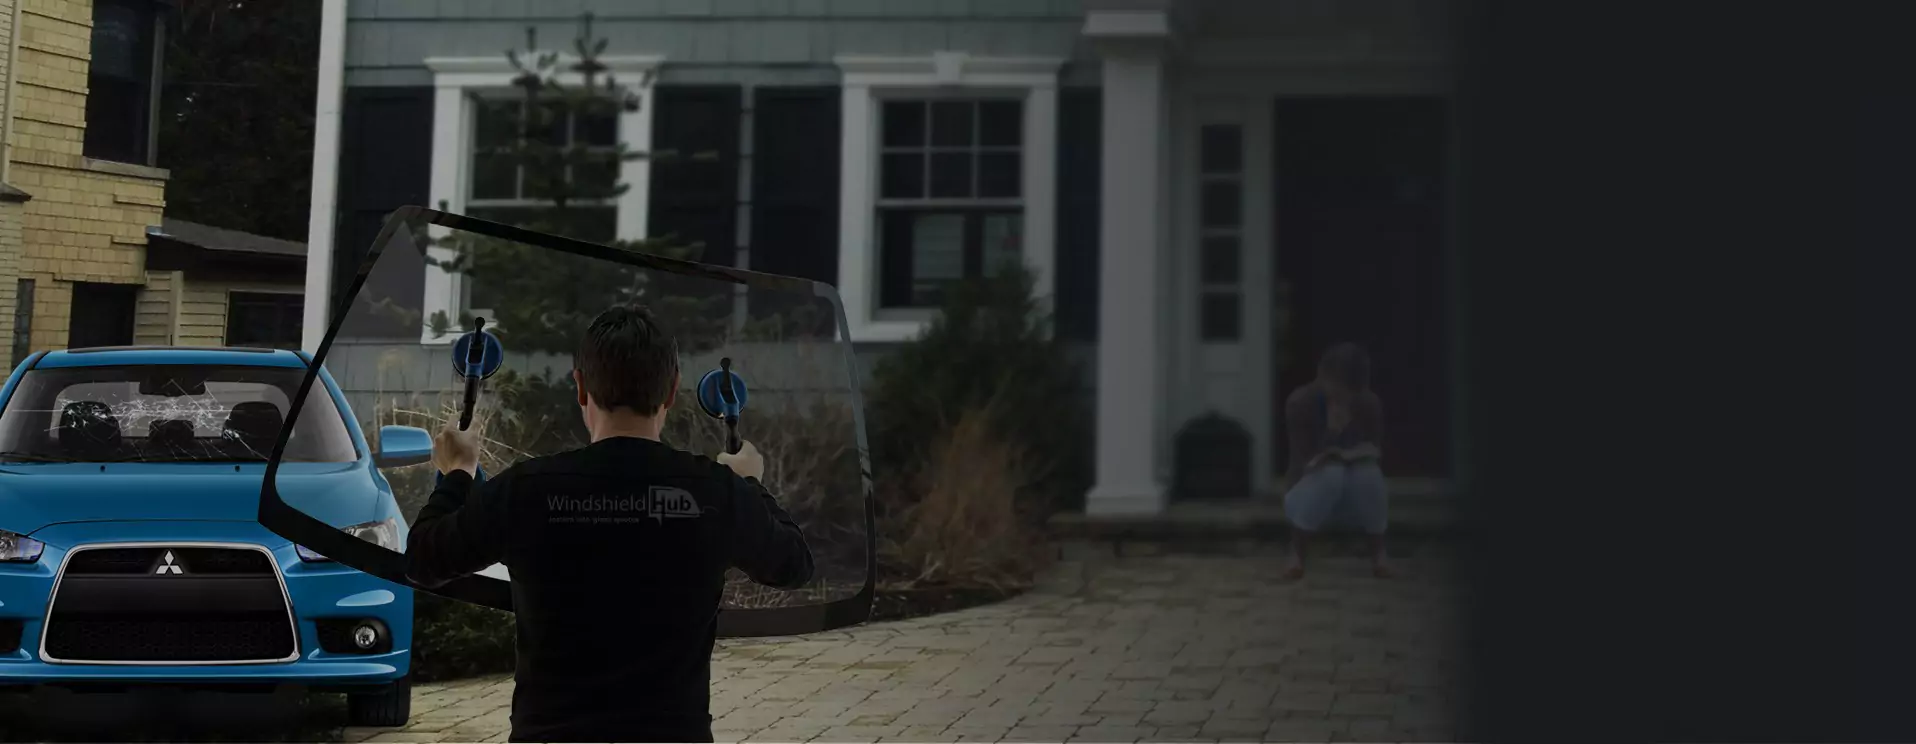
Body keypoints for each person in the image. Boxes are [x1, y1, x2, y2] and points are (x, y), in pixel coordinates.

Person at [405, 305, 814, 743]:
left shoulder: (525, 492)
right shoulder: (717, 494)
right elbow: (794, 566)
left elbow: (423, 561)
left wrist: (457, 474)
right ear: (672, 391)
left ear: (580, 387)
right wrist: (751, 483)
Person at [1281, 342, 1391, 580]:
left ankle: (1379, 554)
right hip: (1309, 493)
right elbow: (1300, 461)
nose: (1344, 396)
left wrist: (1355, 453)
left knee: (1368, 473)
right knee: (1332, 473)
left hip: (1352, 491)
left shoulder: (1368, 404)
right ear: (1322, 375)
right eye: (1339, 388)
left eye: (1352, 391)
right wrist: (1331, 434)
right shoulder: (1300, 403)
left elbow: (1375, 449)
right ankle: (1297, 552)